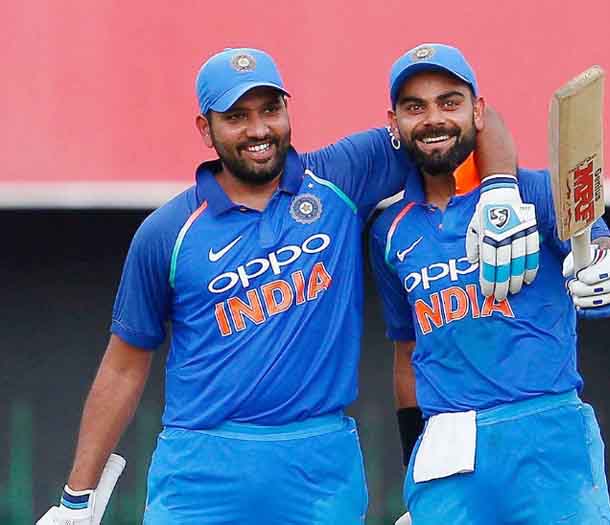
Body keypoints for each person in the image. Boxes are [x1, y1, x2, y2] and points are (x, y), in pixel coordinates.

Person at [37, 47, 535, 525]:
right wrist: (76, 498)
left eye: (270, 110)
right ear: (205, 129)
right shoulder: (167, 232)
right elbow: (123, 368)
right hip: (201, 468)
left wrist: (499, 191)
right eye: (237, 116)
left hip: (318, 466)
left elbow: (474, 118)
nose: (258, 130)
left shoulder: (342, 175)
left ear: (287, 111)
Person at [370, 43, 610, 525]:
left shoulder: (534, 190)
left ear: (477, 111)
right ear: (395, 122)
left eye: (449, 102)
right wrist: (415, 462)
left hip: (549, 437)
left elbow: (598, 245)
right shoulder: (389, 229)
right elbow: (406, 353)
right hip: (448, 451)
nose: (434, 119)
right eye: (415, 107)